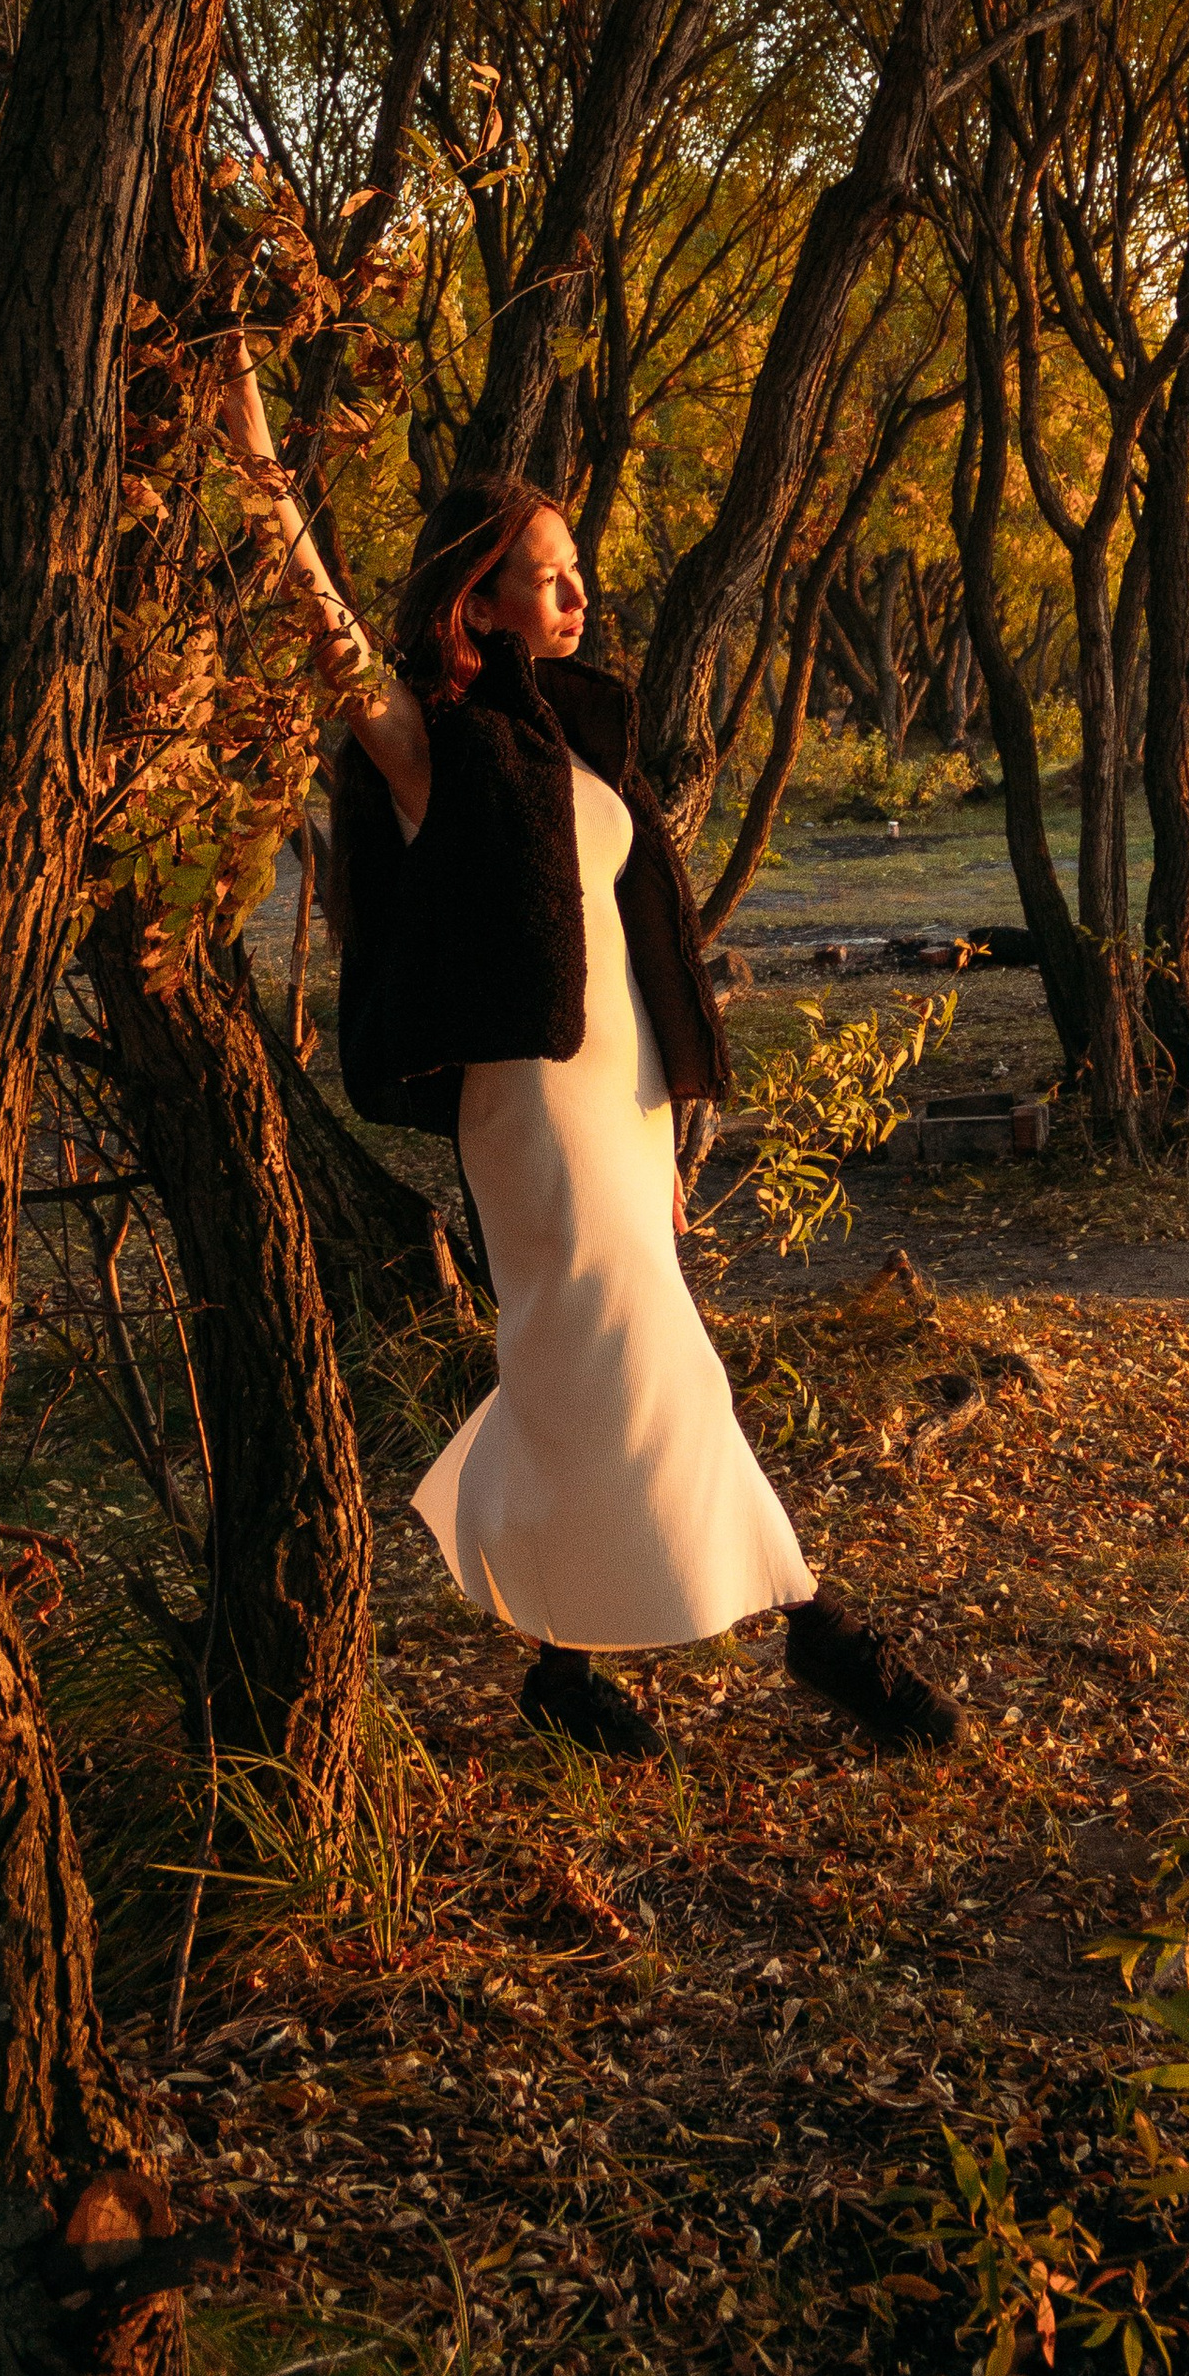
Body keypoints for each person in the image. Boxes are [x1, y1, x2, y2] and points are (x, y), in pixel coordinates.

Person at [220, 343, 961, 1766]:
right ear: (476, 597)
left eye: (574, 575)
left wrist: (670, 1125)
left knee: (577, 1361)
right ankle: (821, 1633)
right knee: (659, 1362)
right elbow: (333, 635)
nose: (577, 595)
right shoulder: (431, 748)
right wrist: (259, 452)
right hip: (529, 1107)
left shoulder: (575, 747)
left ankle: (561, 1669)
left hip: (614, 1104)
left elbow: (632, 956)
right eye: (549, 575)